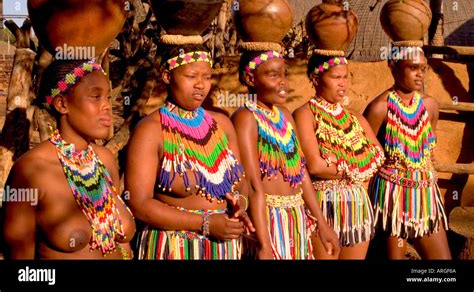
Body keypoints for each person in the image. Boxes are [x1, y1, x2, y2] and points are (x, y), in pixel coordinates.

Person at [125, 44, 254, 260]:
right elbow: (139, 203)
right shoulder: (150, 129)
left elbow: (241, 183)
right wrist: (204, 224)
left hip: (223, 246)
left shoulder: (222, 124)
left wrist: (240, 203)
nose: (201, 85)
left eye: (206, 76)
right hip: (174, 246)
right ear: (167, 76)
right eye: (191, 76)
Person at [3, 59, 136, 259]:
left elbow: (122, 246)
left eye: (108, 97)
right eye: (95, 97)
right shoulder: (31, 171)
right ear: (62, 104)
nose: (107, 106)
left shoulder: (105, 160)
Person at [231, 50, 340, 259]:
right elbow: (253, 185)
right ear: (250, 78)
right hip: (267, 219)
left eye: (284, 74)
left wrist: (322, 222)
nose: (283, 82)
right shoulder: (245, 118)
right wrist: (264, 244)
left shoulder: (285, 116)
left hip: (296, 216)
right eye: (273, 75)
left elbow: (301, 172)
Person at [293, 52, 385, 259]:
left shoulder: (355, 117)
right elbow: (315, 166)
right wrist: (357, 163)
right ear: (316, 79)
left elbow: (378, 158)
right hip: (322, 206)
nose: (343, 83)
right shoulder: (304, 115)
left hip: (357, 207)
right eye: (336, 78)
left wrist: (336, 162)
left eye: (345, 77)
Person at [364, 47, 451, 259]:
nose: (420, 74)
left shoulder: (430, 106)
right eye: (413, 68)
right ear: (394, 68)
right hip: (391, 202)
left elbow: (428, 147)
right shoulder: (379, 108)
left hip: (425, 198)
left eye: (424, 68)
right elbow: (366, 157)